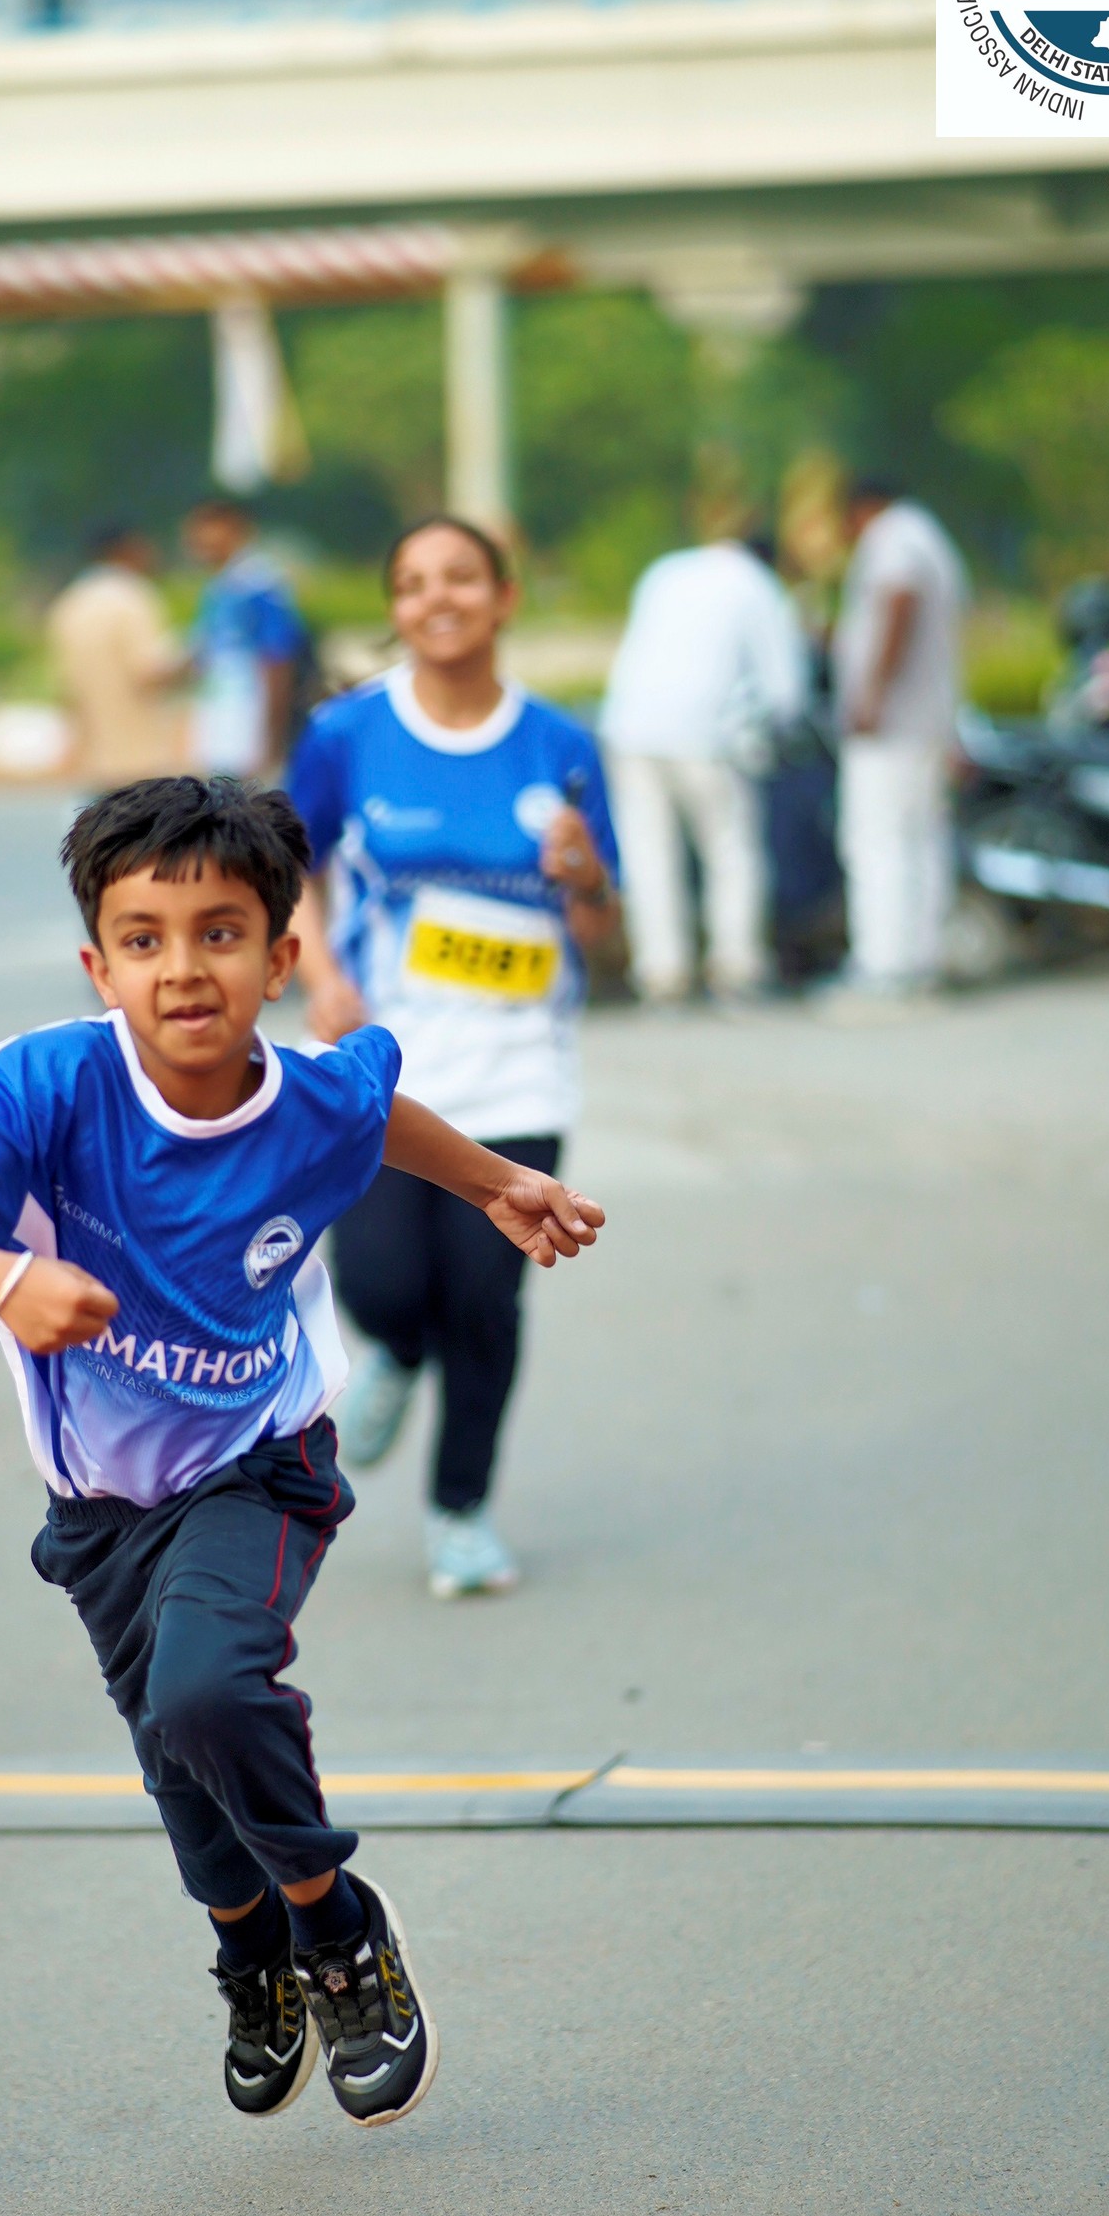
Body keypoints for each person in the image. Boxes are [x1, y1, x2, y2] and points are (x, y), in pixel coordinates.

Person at [0, 775, 603, 2129]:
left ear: (280, 958)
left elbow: (366, 1111)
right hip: (101, 1508)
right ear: (99, 966)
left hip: (259, 1458)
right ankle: (251, 1954)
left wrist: (498, 1184)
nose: (183, 968)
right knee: (180, 1775)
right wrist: (0, 1282)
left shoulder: (303, 1102)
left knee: (208, 1693)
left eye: (220, 933)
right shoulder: (50, 1089)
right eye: (145, 938)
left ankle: (337, 1931)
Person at [287, 516, 620, 1600]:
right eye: (414, 582)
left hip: (522, 1062)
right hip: (382, 1059)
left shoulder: (562, 746)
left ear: (503, 596)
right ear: (396, 607)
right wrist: (320, 976)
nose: (438, 598)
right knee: (382, 1281)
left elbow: (602, 934)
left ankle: (461, 1514)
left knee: (485, 1297)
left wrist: (585, 881)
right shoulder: (346, 734)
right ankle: (392, 1352)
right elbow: (289, 868)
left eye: (461, 578)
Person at [601, 529, 810, 1003]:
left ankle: (661, 973)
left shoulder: (665, 570)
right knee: (730, 851)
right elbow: (785, 689)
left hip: (630, 728)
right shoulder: (756, 583)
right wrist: (776, 729)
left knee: (649, 855)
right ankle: (736, 967)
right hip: (707, 735)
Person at [829, 477, 969, 1002]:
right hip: (925, 722)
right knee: (920, 841)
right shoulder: (927, 535)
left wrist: (873, 695)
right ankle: (920, 958)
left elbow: (899, 598)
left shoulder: (893, 538)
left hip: (891, 726)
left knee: (877, 841)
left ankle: (882, 963)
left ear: (860, 510)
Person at [182, 496, 312, 781]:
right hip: (220, 713)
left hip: (247, 718)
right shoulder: (218, 587)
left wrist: (272, 737)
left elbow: (278, 659)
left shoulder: (260, 584)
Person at [46, 524, 182, 790]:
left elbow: (66, 686)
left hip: (94, 757)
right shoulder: (132, 597)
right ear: (127, 549)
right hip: (139, 758)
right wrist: (192, 662)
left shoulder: (70, 602)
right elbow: (149, 672)